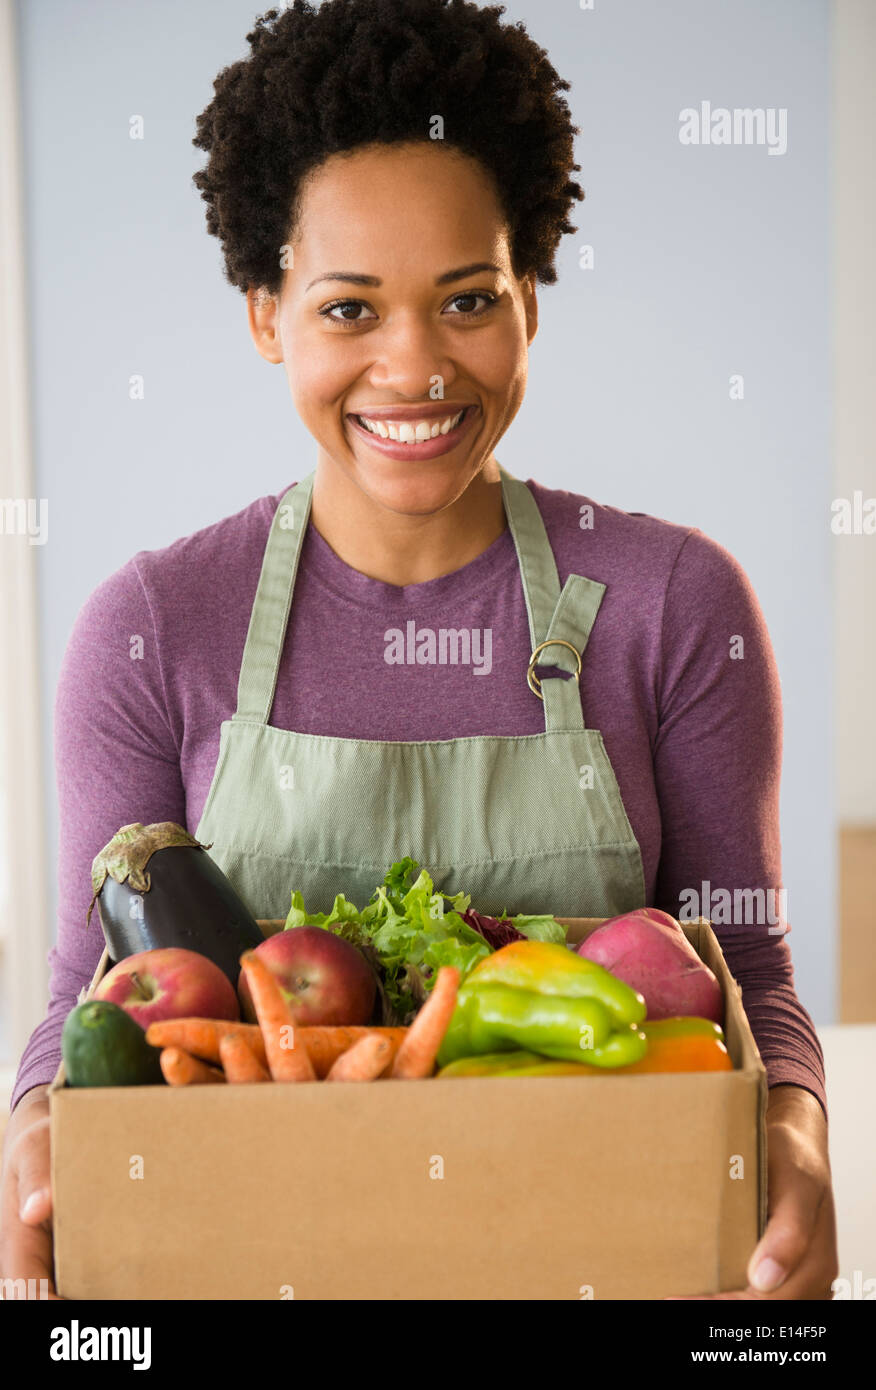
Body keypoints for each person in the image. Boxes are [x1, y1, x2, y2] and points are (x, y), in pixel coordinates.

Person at [0, 0, 837, 1300]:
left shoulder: (674, 603)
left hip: (601, 1255)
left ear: (530, 301)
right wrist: (37, 1135)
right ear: (263, 311)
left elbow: (747, 967)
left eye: (466, 299)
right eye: (347, 309)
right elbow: (92, 986)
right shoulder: (151, 627)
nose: (415, 366)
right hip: (246, 1260)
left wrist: (794, 1135)